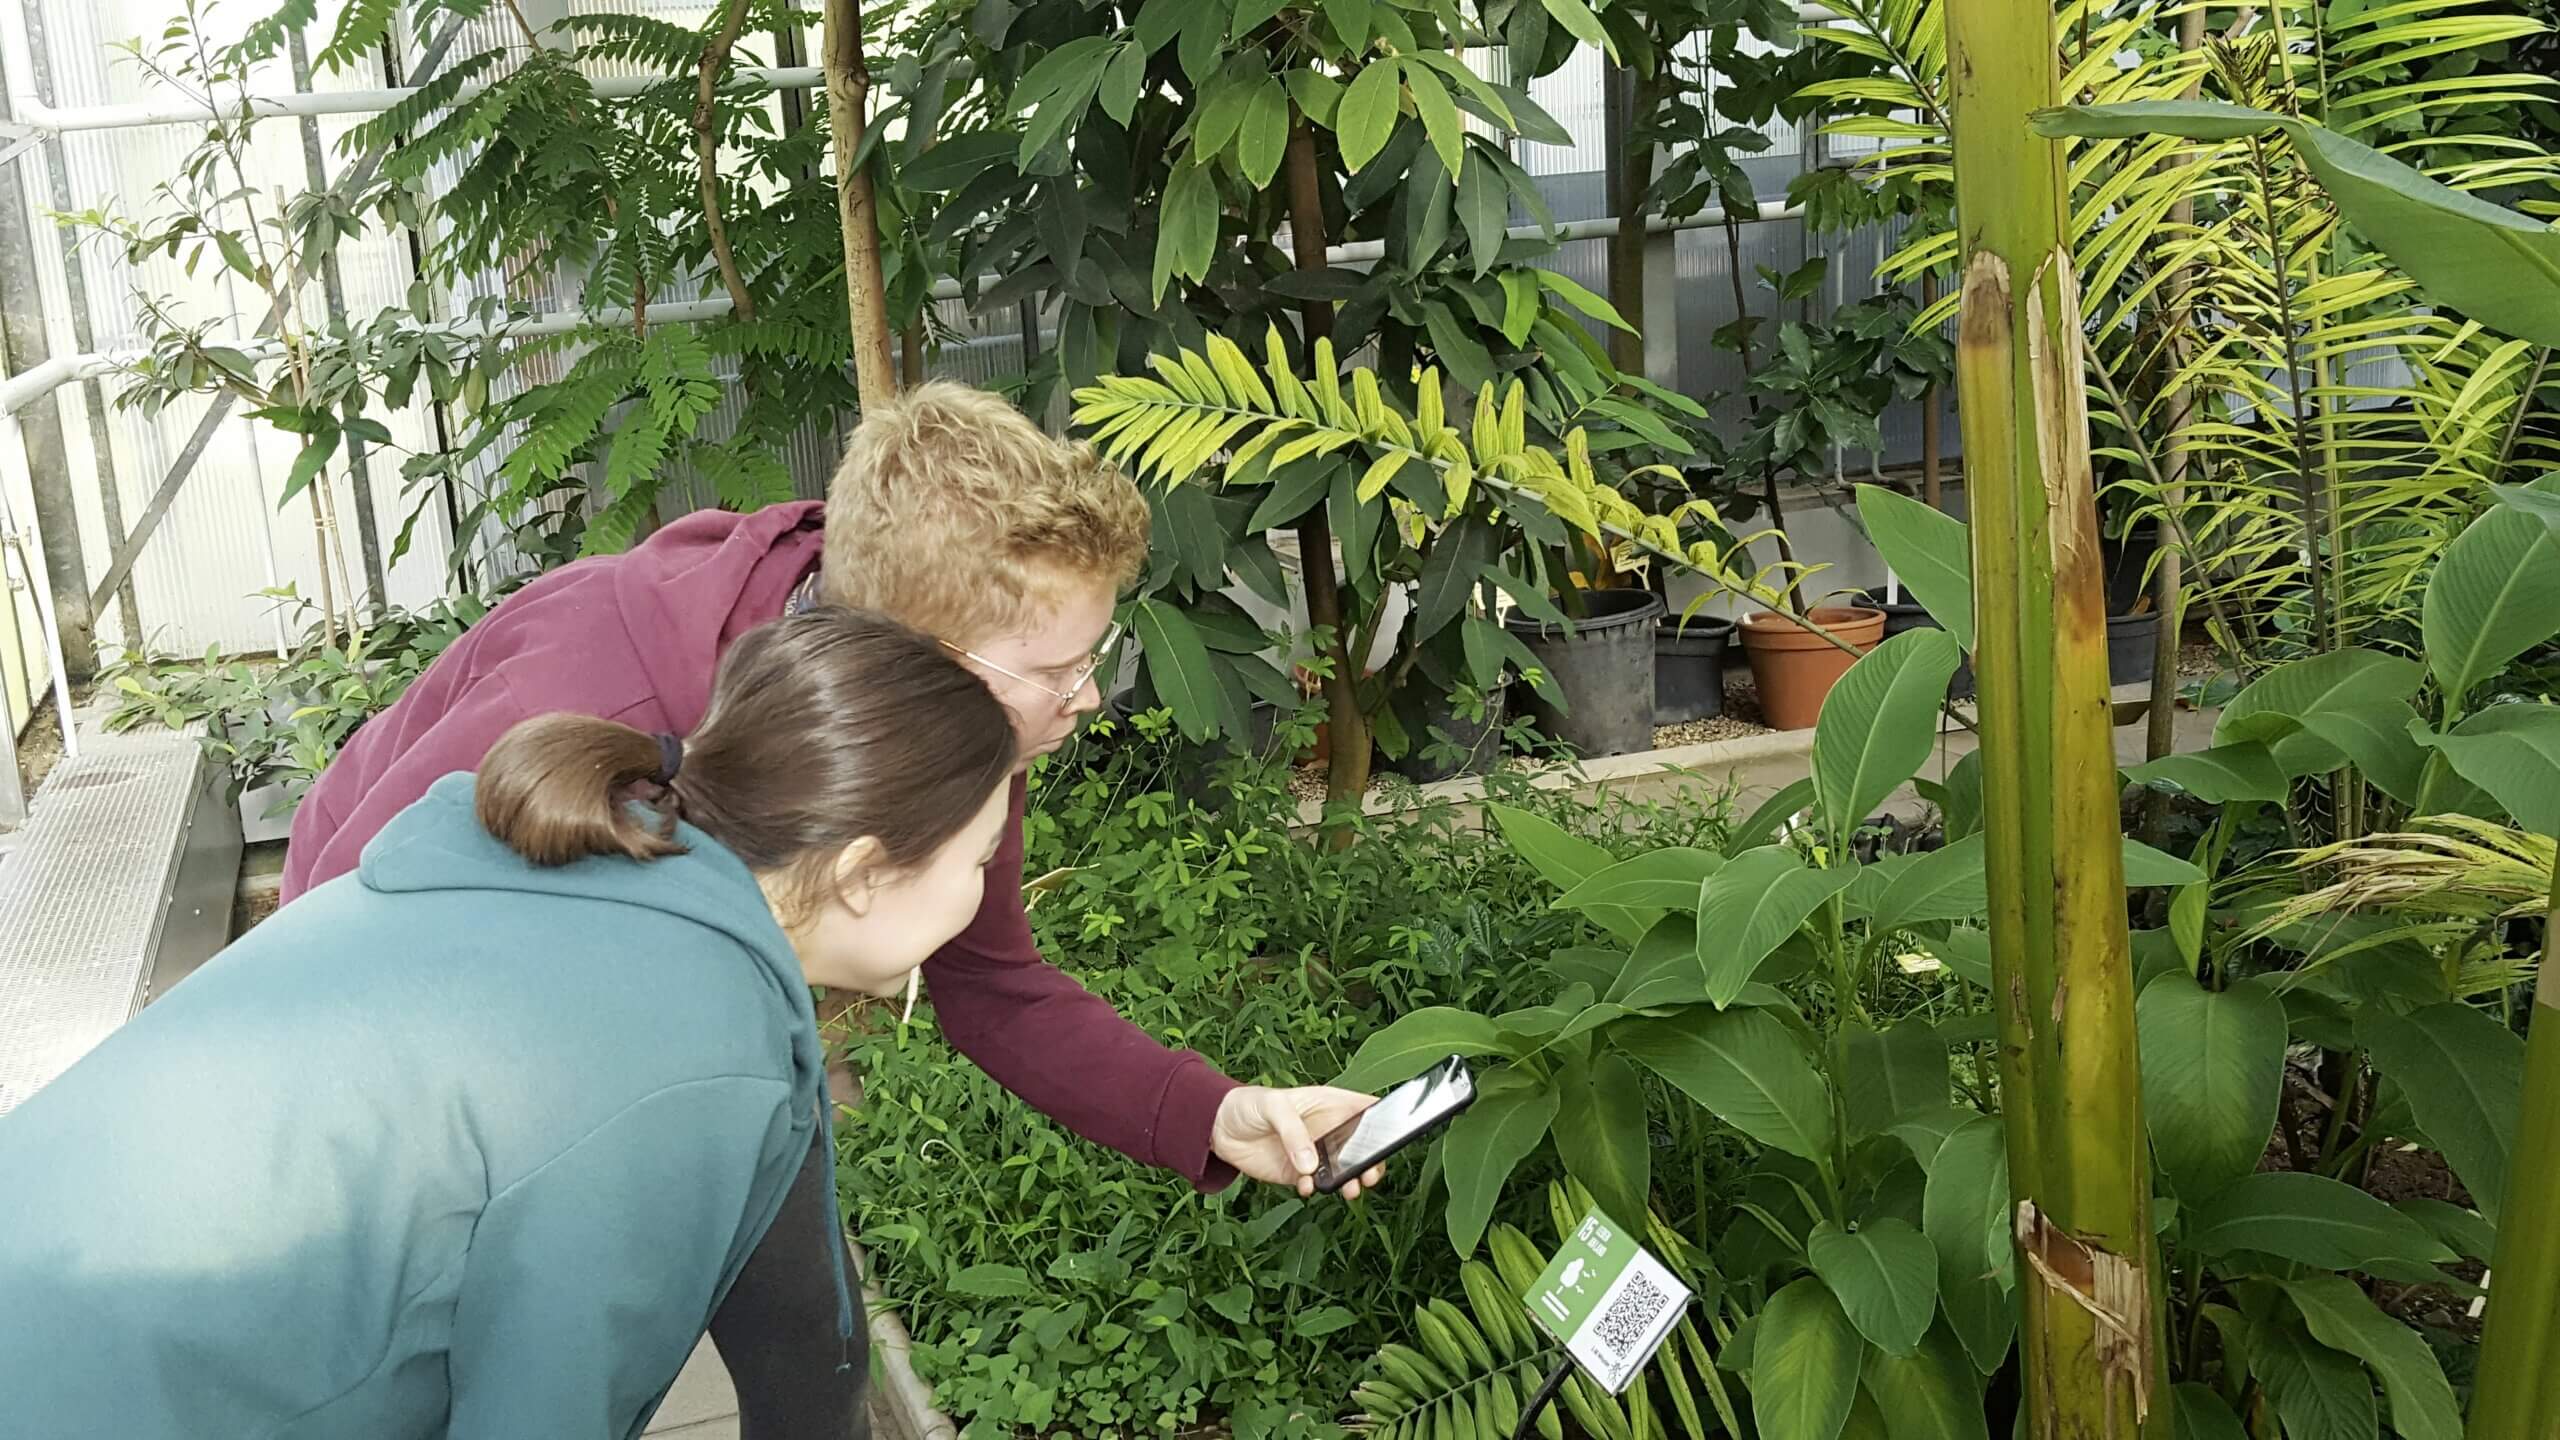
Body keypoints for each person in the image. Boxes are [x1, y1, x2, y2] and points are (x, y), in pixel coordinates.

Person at [276, 381, 1382, 1437]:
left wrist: (1215, 1111)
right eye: (1059, 667)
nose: (1085, 695)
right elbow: (332, 958)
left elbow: (992, 985)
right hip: (409, 1014)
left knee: (815, 1342)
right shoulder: (590, 697)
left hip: (696, 1006)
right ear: (927, 654)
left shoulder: (945, 713)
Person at [0, 609, 1023, 1435]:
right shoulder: (685, 1048)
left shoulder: (596, 868)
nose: (987, 890)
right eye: (978, 860)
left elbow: (804, 1329)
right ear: (862, 876)